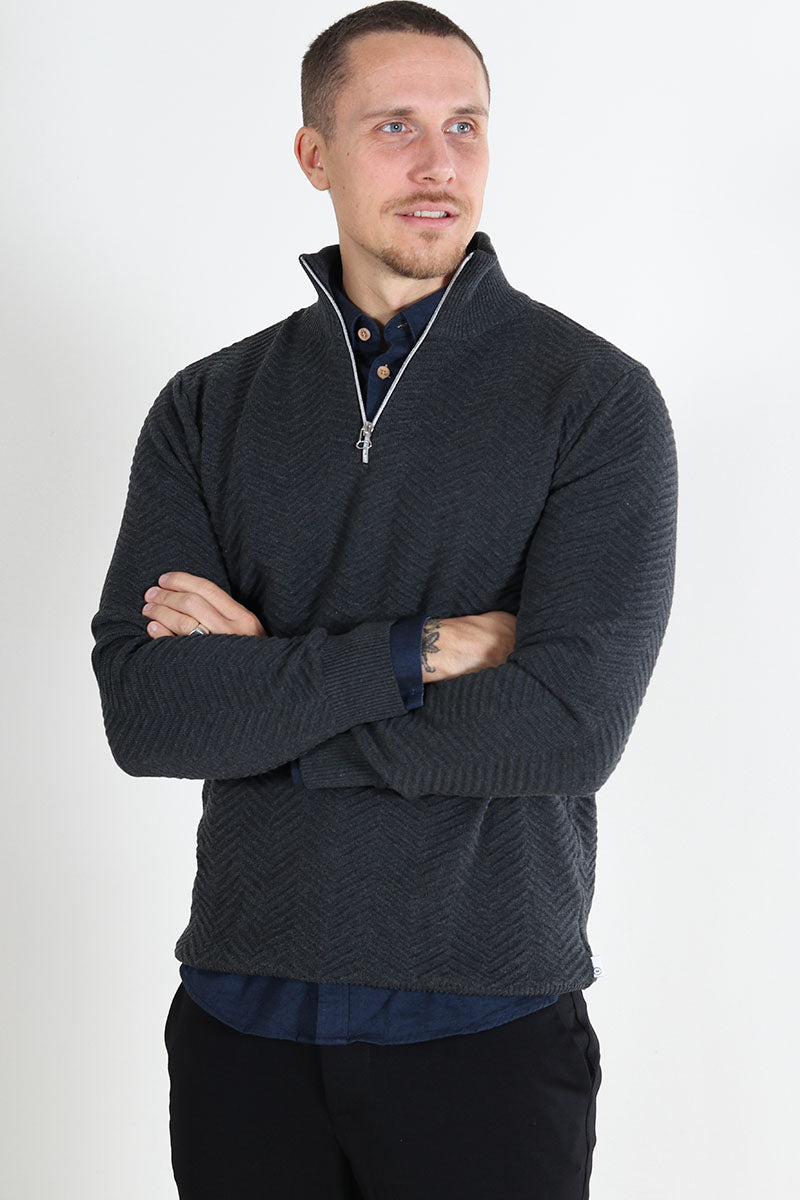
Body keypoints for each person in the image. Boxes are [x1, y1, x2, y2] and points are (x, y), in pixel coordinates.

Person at [90, 2, 678, 1197]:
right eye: (394, 126)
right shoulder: (207, 407)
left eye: (464, 126)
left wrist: (269, 696)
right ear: (315, 155)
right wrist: (415, 653)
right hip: (240, 1016)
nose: (437, 163)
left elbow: (567, 730)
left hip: (484, 1020)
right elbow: (149, 718)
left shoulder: (593, 401)